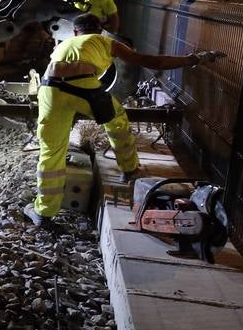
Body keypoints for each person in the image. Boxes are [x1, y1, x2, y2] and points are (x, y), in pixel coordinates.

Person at [26, 13, 224, 228]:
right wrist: (193, 59)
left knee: (51, 151)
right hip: (83, 86)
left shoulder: (64, 45)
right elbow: (151, 61)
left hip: (50, 88)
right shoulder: (105, 41)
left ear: (75, 32)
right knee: (117, 122)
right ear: (100, 30)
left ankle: (43, 212)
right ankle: (129, 169)